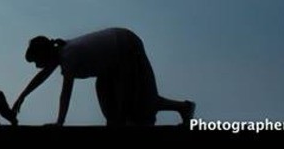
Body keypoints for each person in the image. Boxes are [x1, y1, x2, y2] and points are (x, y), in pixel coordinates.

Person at [12, 27, 195, 127]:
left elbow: (65, 93)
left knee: (136, 102)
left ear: (45, 54)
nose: (37, 66)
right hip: (112, 60)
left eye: (36, 61)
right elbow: (42, 76)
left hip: (124, 46)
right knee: (110, 102)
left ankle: (183, 108)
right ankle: (181, 108)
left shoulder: (69, 57)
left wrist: (60, 122)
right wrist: (22, 96)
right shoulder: (61, 53)